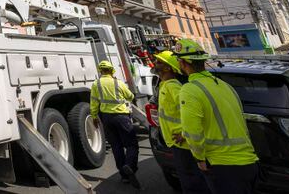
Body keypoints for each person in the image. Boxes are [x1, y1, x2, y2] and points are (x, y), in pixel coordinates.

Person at [173, 39, 259, 194]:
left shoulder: (190, 89)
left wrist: (199, 159)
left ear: (183, 63)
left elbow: (193, 132)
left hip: (223, 165)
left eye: (178, 60)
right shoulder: (225, 85)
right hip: (249, 161)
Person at [152, 51, 210, 194]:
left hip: (184, 144)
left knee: (193, 184)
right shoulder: (165, 85)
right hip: (177, 144)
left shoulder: (173, 87)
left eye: (159, 62)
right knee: (189, 181)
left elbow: (190, 112)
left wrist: (185, 134)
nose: (155, 64)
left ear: (168, 68)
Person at [90, 60, 141, 189]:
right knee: (131, 144)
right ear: (111, 70)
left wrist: (95, 116)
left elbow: (94, 102)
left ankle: (124, 176)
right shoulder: (117, 82)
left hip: (106, 118)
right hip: (121, 117)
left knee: (116, 146)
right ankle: (130, 166)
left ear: (100, 71)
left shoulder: (96, 84)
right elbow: (130, 96)